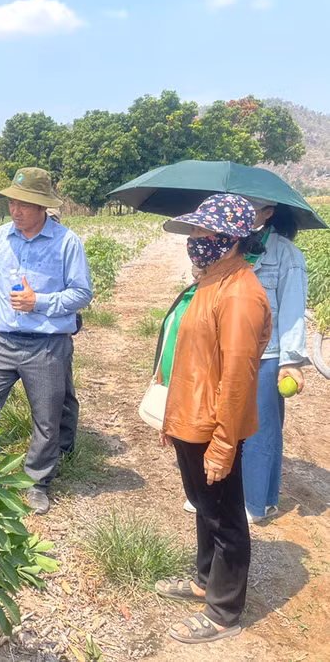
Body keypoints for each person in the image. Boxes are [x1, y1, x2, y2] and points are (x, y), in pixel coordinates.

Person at [153, 194, 271, 644]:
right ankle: (205, 580)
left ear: (230, 238)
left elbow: (237, 379)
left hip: (214, 425)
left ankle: (224, 612)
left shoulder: (239, 293)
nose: (195, 238)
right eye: (196, 230)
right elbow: (191, 358)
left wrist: (223, 445)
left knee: (225, 518)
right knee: (205, 507)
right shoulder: (212, 280)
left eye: (204, 230)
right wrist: (173, 417)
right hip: (192, 417)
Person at [0, 168, 92, 515]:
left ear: (42, 207)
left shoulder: (66, 242)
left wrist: (40, 302)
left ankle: (37, 481)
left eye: (24, 204)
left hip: (47, 345)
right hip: (3, 341)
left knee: (47, 420)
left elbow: (82, 292)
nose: (15, 210)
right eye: (12, 203)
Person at [183, 198, 308, 523]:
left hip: (265, 356)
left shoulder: (286, 254)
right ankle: (215, 490)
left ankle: (255, 501)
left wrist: (291, 360)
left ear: (268, 214)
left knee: (258, 431)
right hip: (221, 350)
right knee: (219, 421)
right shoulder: (226, 249)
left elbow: (293, 308)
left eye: (254, 206)